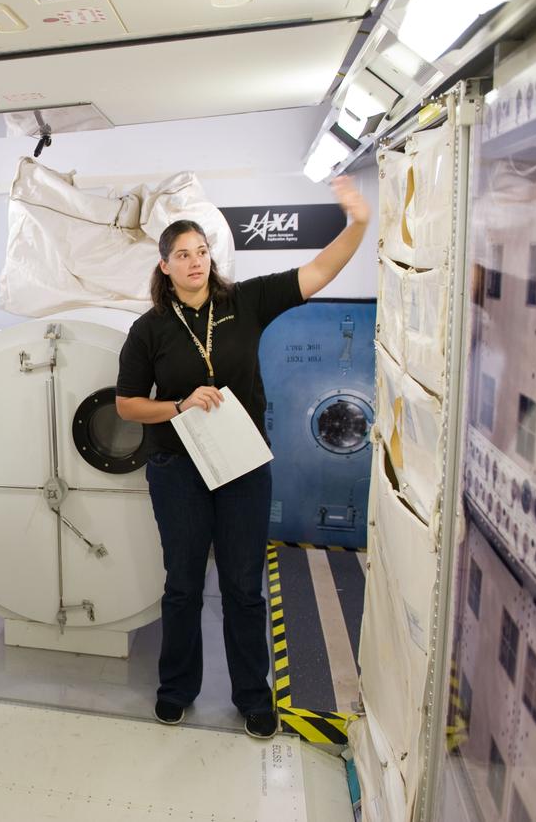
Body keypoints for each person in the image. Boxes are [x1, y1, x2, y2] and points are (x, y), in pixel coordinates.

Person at [115, 177, 370, 739]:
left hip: (242, 468)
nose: (194, 263)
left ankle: (254, 696)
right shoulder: (149, 329)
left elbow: (320, 272)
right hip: (178, 470)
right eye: (182, 255)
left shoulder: (246, 301)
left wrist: (357, 224)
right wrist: (178, 405)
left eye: (201, 252)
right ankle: (176, 690)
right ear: (164, 267)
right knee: (182, 584)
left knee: (243, 586)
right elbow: (127, 405)